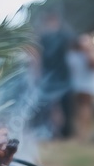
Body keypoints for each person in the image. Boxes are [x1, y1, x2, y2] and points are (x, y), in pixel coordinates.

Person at [33, 10, 76, 139]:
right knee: (48, 105)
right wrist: (38, 75)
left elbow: (72, 50)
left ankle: (66, 133)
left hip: (63, 75)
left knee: (66, 105)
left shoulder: (64, 36)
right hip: (48, 76)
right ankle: (49, 132)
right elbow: (38, 57)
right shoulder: (42, 38)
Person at [68, 33, 94, 140]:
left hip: (90, 84)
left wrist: (88, 51)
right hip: (78, 84)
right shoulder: (73, 54)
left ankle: (85, 132)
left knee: (86, 106)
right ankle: (81, 132)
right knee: (79, 108)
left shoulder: (93, 53)